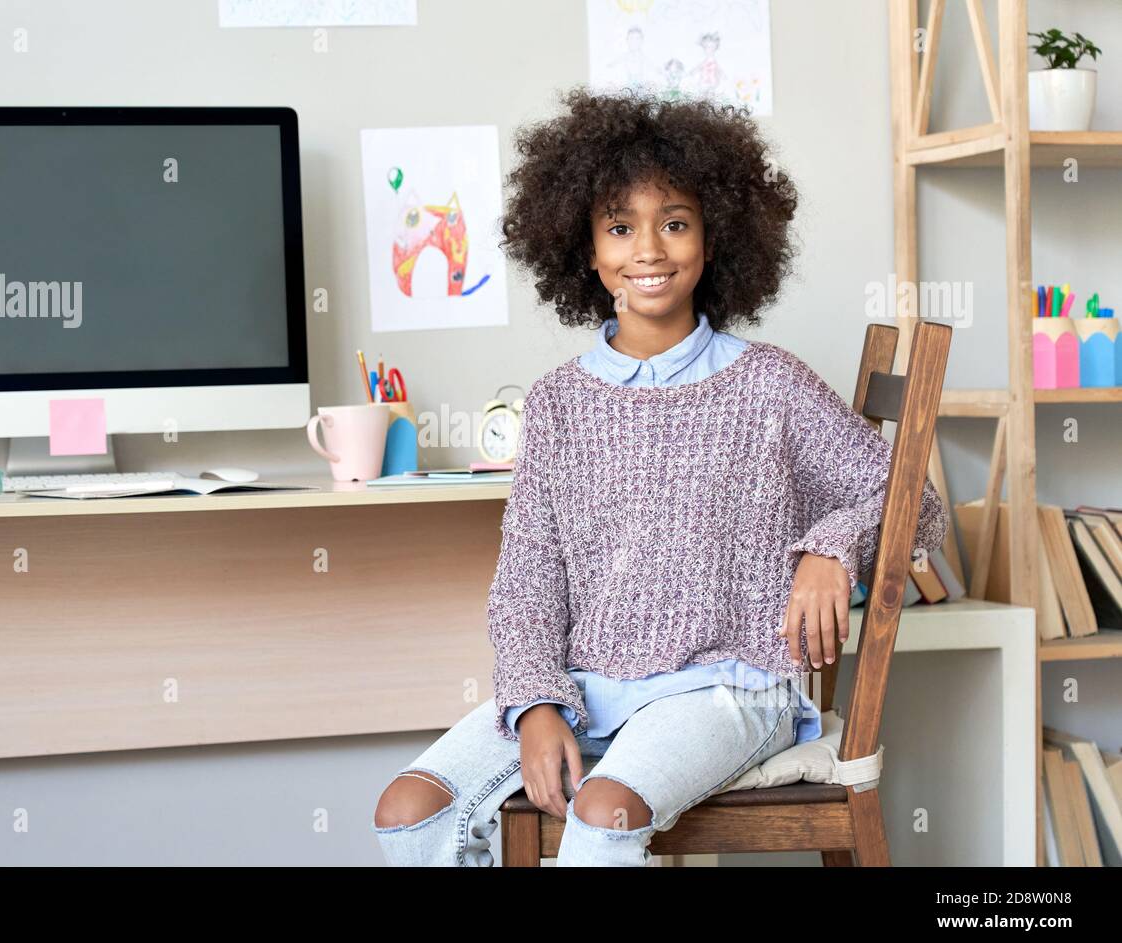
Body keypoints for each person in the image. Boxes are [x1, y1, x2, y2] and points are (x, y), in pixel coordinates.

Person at [372, 87, 948, 866]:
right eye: (620, 227)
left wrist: (830, 545)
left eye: (674, 223)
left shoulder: (769, 384)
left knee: (605, 813)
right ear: (586, 250)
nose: (649, 249)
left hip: (731, 689)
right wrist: (535, 700)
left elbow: (921, 506)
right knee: (407, 812)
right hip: (587, 689)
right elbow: (526, 579)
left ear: (714, 240)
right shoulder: (557, 402)